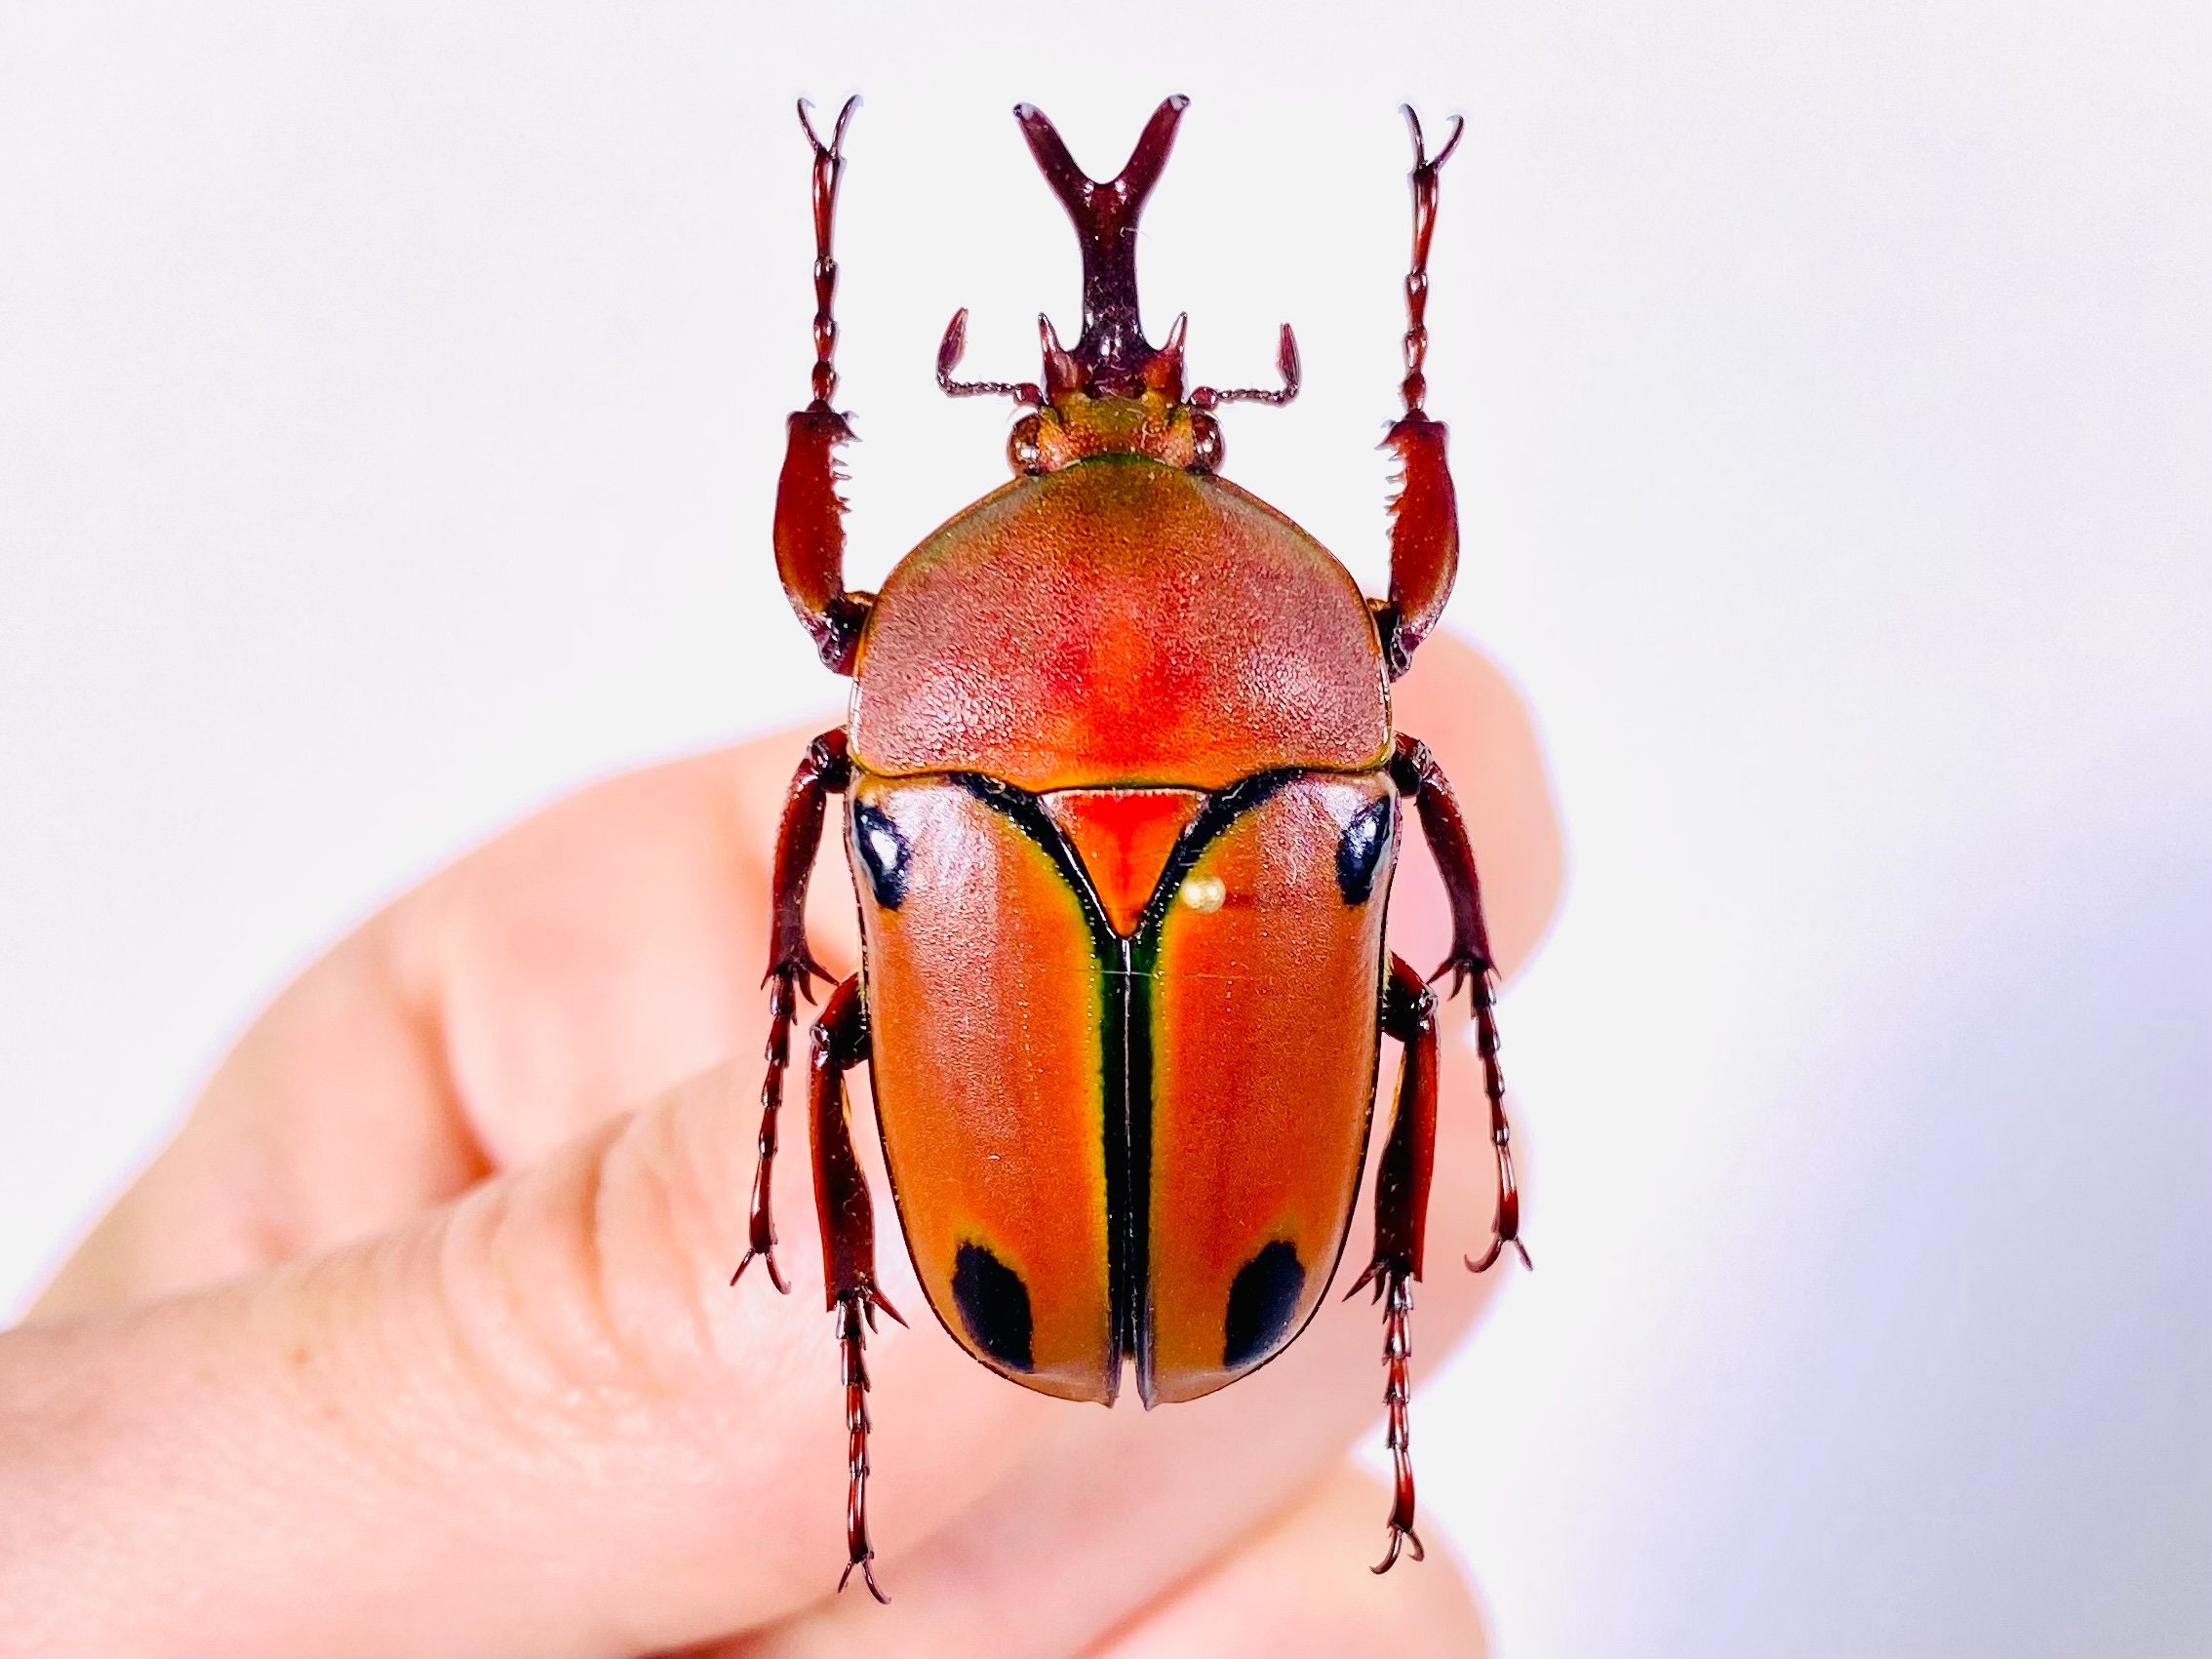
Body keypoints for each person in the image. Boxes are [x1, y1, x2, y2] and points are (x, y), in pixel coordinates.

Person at [0, 634, 1560, 1655]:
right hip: (1206, 1268)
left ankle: (872, 1367)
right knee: (1411, 1002)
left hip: (1058, 1266)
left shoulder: (908, 760)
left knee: (836, 1032)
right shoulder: (1336, 750)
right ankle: (1363, 1328)